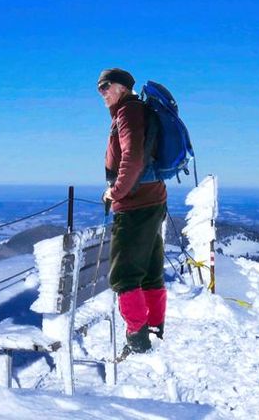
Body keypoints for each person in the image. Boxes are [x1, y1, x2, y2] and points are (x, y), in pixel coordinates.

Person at [97, 67, 167, 353]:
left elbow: (133, 159)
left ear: (122, 87)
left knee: (123, 276)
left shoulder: (128, 113)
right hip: (152, 200)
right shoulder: (134, 111)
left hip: (135, 204)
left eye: (105, 86)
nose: (101, 93)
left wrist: (115, 192)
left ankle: (137, 338)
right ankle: (154, 327)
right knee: (150, 270)